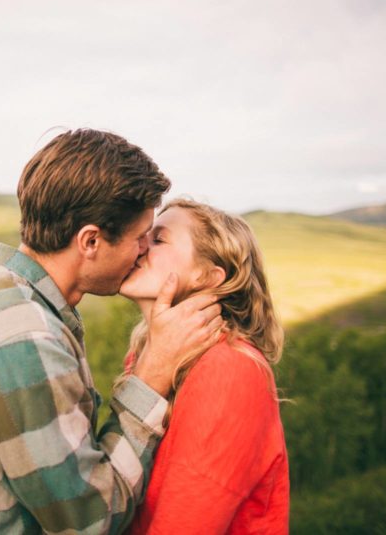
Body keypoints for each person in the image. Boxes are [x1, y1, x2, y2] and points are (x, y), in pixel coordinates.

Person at [0, 130, 224, 534]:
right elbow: (90, 521)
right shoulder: (23, 342)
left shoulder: (0, 297)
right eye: (140, 237)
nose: (144, 250)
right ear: (90, 241)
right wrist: (151, 377)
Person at [119, 198, 289, 534]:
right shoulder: (145, 359)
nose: (138, 246)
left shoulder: (231, 369)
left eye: (158, 239)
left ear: (207, 276)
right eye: (142, 235)